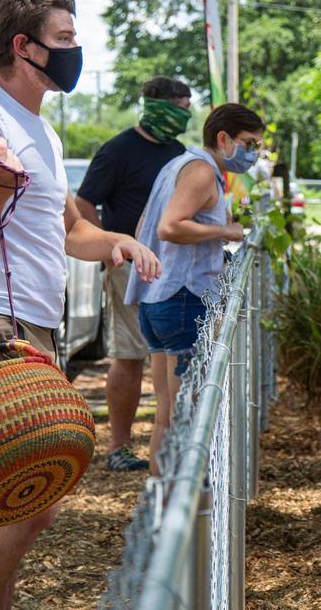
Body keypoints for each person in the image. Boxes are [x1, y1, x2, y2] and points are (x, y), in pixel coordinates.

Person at [0, 0, 161, 610]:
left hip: (34, 328)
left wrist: (117, 241)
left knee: (22, 505)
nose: (75, 52)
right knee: (22, 512)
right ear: (22, 46)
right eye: (63, 40)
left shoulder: (42, 131)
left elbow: (70, 231)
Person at [126, 103, 265, 472]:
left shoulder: (177, 165)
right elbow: (169, 227)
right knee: (187, 414)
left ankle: (163, 508)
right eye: (249, 143)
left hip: (156, 298)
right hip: (183, 298)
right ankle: (186, 508)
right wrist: (227, 231)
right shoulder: (202, 171)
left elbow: (145, 222)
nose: (253, 153)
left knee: (167, 413)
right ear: (223, 139)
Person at [76, 76, 192, 472]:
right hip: (129, 269)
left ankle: (167, 439)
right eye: (178, 107)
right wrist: (112, 252)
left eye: (187, 108)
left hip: (171, 270)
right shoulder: (119, 150)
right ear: (154, 106)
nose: (185, 115)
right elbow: (83, 202)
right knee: (130, 356)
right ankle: (120, 446)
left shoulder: (179, 153)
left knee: (166, 354)